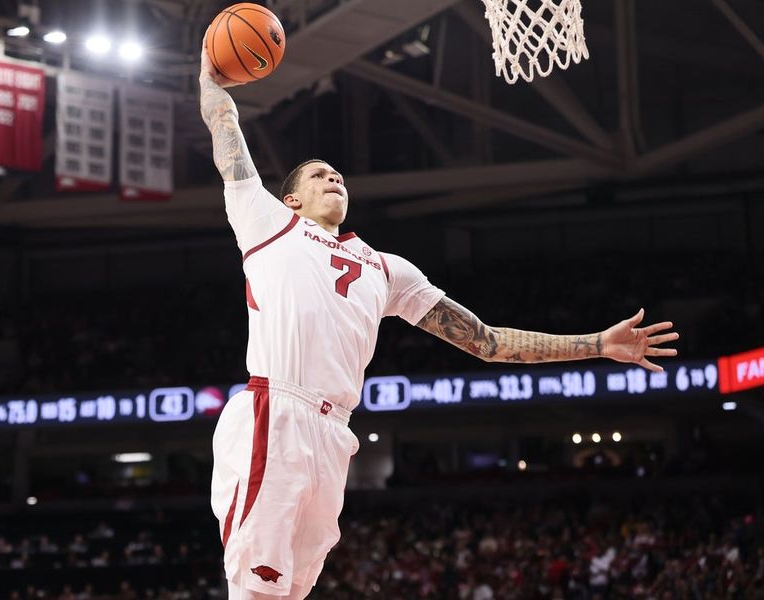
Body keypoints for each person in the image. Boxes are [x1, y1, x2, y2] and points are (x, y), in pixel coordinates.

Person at [198, 37, 678, 600]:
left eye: (339, 175)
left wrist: (596, 343)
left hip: (334, 433)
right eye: (320, 175)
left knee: (292, 591)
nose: (335, 179)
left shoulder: (387, 268)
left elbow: (488, 342)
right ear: (292, 201)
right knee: (254, 588)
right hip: (275, 411)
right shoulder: (268, 224)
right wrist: (210, 83)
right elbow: (227, 134)